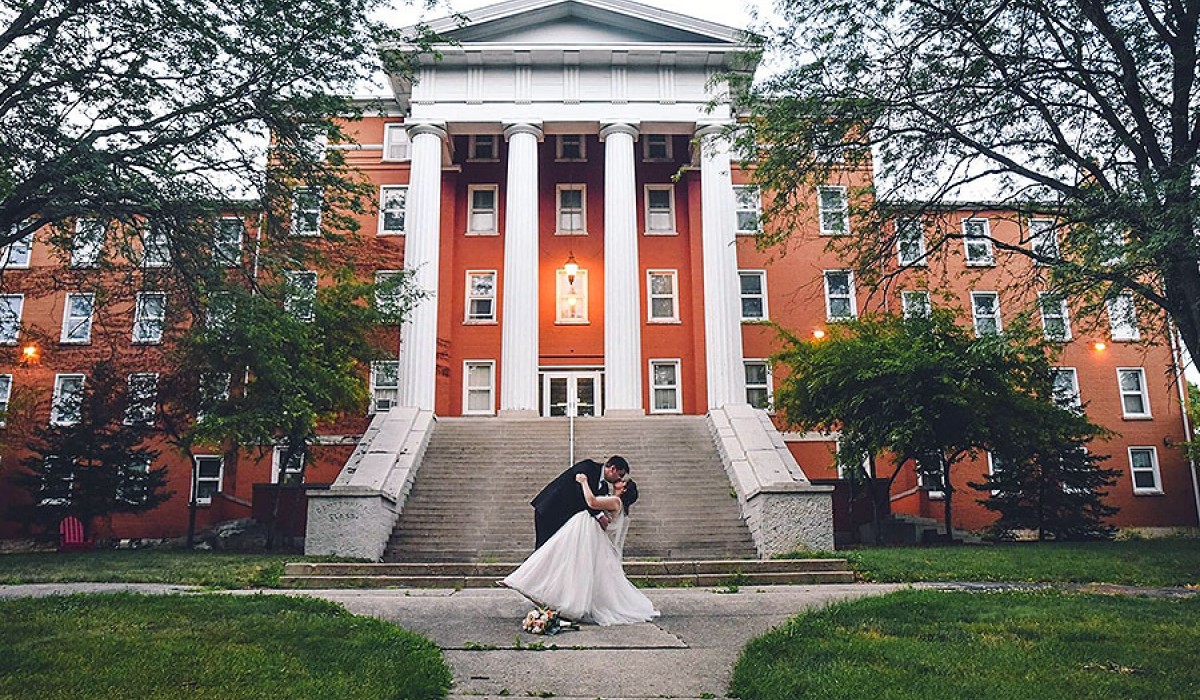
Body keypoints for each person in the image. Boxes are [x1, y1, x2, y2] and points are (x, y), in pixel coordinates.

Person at [501, 472, 659, 626]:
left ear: (623, 489)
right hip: (590, 534)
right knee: (568, 563)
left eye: (622, 481)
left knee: (562, 558)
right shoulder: (615, 501)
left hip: (589, 534)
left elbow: (591, 502)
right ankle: (535, 586)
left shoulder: (616, 502)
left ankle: (536, 587)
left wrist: (584, 481)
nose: (619, 480)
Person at [531, 455, 628, 548]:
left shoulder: (604, 488)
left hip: (568, 518)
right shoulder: (588, 467)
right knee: (543, 549)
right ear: (613, 469)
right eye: (621, 474)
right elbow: (581, 492)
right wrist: (599, 515)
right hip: (551, 509)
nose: (620, 479)